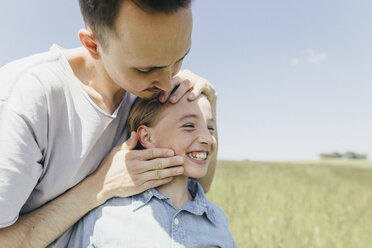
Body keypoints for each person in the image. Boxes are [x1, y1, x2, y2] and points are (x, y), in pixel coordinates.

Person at [0, 1, 218, 247]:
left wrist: (207, 105)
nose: (167, 84)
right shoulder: (25, 100)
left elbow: (202, 184)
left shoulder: (154, 96)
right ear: (93, 45)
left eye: (179, 58)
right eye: (146, 69)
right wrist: (99, 187)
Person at [67, 91, 236, 247]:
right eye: (189, 125)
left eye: (211, 128)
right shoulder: (105, 215)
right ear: (147, 136)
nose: (208, 138)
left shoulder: (217, 219)